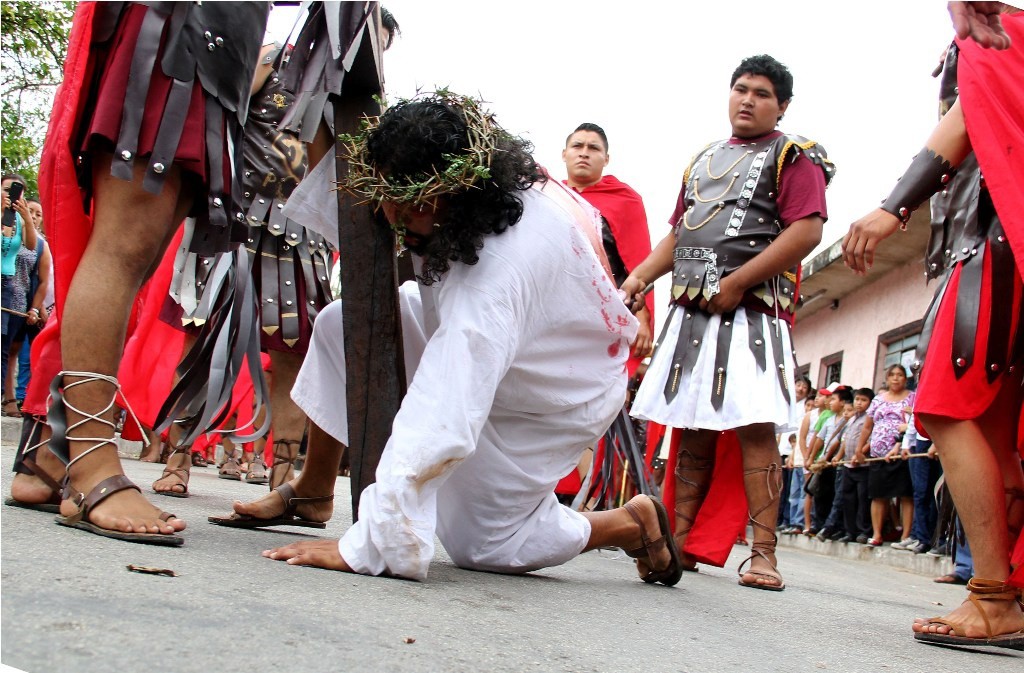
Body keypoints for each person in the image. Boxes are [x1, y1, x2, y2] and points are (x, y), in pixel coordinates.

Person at [212, 92, 683, 586]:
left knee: (484, 545)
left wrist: (376, 540)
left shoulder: (494, 279)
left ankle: (629, 524)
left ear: (443, 199)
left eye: (407, 209)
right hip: (509, 349)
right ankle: (312, 489)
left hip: (554, 396)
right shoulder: (463, 192)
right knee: (343, 324)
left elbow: (443, 410)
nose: (393, 219)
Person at [5, 1, 271, 544]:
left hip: (220, 46)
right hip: (181, 31)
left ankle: (49, 460)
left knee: (139, 255)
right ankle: (91, 467)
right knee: (124, 248)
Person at [843, 5, 1023, 648]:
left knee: (947, 408)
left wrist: (893, 207)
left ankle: (995, 596)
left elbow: (965, 123)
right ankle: (1008, 591)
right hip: (1002, 244)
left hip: (998, 244)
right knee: (999, 429)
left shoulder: (1006, 33)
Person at [622, 54, 833, 591]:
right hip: (692, 312)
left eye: (762, 93)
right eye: (741, 89)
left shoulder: (794, 155)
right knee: (691, 428)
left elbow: (806, 231)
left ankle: (764, 554)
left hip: (753, 314)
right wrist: (639, 278)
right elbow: (680, 232)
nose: (747, 99)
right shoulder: (703, 160)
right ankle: (680, 541)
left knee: (756, 429)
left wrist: (738, 283)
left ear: (781, 105)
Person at [854, 365, 915, 547]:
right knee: (878, 494)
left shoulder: (912, 398)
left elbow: (915, 423)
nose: (896, 378)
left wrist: (899, 443)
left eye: (900, 375)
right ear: (887, 379)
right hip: (878, 453)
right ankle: (877, 534)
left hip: (902, 452)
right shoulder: (878, 400)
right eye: (892, 375)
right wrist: (859, 448)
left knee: (905, 495)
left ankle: (905, 535)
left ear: (905, 379)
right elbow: (867, 426)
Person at [2, 174, 38, 417]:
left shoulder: (19, 220)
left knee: (3, 347)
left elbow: (32, 246)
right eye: (6, 189)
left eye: (17, 192)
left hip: (6, 285)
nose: (10, 194)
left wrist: (26, 216)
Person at [839, 387, 874, 543]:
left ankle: (863, 531)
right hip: (848, 465)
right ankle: (849, 531)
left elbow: (871, 440)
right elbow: (846, 439)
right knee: (848, 498)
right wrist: (840, 456)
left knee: (862, 499)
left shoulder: (869, 418)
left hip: (863, 465)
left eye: (864, 400)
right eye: (857, 399)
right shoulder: (852, 418)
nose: (859, 403)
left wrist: (860, 453)